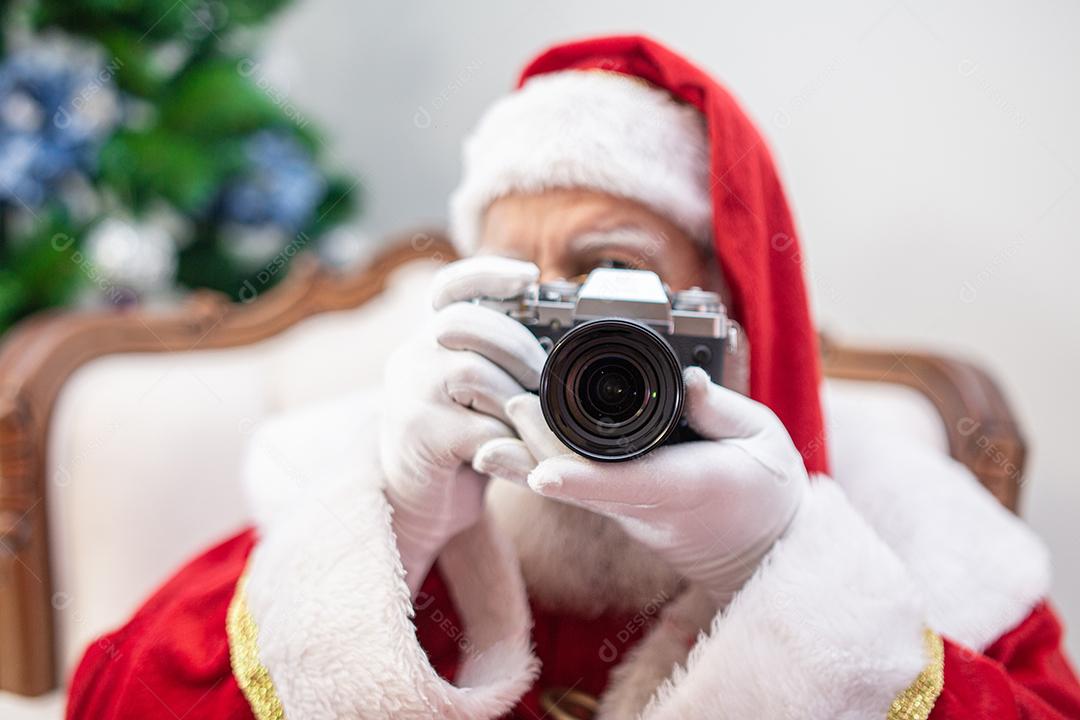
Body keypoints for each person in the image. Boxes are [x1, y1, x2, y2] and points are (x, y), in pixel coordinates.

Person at [67, 35, 1080, 720]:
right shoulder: (373, 486)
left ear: (729, 313)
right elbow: (112, 698)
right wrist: (394, 530)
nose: (568, 345)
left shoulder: (920, 546)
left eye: (613, 275)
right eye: (522, 292)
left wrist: (777, 576)